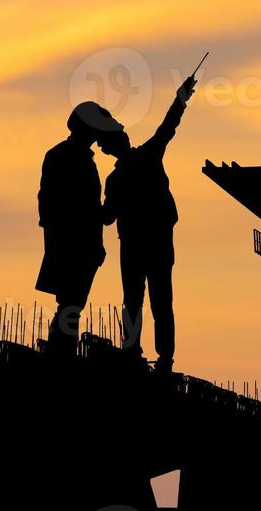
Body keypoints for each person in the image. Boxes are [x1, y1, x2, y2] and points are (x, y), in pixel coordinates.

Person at [98, 77, 196, 370]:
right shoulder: (142, 160)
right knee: (156, 302)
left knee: (141, 301)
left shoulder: (119, 176)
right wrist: (180, 98)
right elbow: (168, 127)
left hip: (139, 244)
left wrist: (181, 99)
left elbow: (105, 217)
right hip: (150, 242)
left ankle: (141, 354)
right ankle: (159, 357)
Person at [36, 102, 119, 357]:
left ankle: (61, 353)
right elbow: (77, 208)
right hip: (73, 245)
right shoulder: (72, 159)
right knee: (70, 304)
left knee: (69, 304)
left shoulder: (62, 155)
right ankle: (61, 355)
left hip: (72, 243)